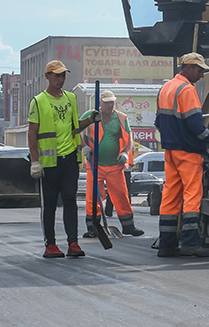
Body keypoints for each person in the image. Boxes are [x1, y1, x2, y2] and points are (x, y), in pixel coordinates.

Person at [155, 52, 209, 257]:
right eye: (199, 70)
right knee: (192, 195)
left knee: (170, 196)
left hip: (171, 152)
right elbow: (196, 126)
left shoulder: (165, 88)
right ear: (188, 67)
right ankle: (191, 242)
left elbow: (158, 122)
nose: (201, 75)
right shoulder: (187, 90)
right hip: (188, 152)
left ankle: (166, 244)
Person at [28, 60, 97, 259]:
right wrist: (35, 161)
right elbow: (32, 133)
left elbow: (75, 127)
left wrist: (91, 119)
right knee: (49, 204)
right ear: (47, 76)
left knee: (70, 200)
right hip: (49, 163)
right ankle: (50, 244)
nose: (61, 79)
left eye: (63, 75)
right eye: (57, 75)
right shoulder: (38, 101)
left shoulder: (71, 99)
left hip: (70, 160)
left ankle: (73, 243)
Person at [82, 89, 144, 239]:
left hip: (114, 166)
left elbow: (128, 139)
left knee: (121, 196)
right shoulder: (90, 116)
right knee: (93, 197)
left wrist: (124, 152)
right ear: (100, 103)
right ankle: (93, 227)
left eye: (112, 102)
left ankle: (128, 226)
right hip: (95, 165)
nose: (110, 105)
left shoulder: (121, 118)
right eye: (107, 102)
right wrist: (84, 146)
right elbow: (78, 130)